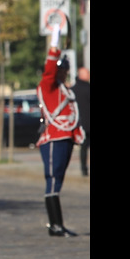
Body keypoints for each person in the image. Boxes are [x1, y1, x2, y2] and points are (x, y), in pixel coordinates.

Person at [36, 27, 85, 237]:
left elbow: (72, 113)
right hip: (53, 138)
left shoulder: (65, 90)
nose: (64, 72)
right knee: (53, 179)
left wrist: (77, 132)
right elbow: (49, 69)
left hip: (66, 137)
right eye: (61, 69)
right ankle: (55, 225)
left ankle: (57, 224)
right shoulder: (48, 87)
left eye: (65, 69)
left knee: (59, 181)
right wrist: (54, 42)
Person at [71, 67, 90, 176]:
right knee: (84, 146)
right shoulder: (87, 88)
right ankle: (84, 169)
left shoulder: (72, 90)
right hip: (86, 122)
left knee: (83, 147)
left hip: (79, 123)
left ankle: (84, 169)